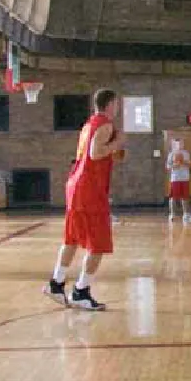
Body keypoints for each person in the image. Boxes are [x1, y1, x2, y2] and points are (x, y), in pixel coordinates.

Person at [48, 89, 125, 309]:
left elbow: (96, 154)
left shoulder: (88, 125)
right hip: (89, 190)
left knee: (71, 239)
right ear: (110, 104)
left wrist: (114, 149)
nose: (117, 108)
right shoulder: (105, 124)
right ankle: (81, 291)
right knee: (98, 244)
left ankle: (56, 282)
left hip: (76, 186)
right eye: (116, 104)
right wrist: (117, 143)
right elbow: (95, 154)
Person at [165, 138, 191, 222]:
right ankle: (172, 214)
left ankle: (185, 214)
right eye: (178, 144)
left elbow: (189, 164)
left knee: (185, 197)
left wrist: (183, 162)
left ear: (183, 144)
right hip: (175, 178)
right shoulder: (171, 154)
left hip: (185, 178)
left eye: (181, 143)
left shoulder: (186, 153)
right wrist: (176, 165)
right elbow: (168, 166)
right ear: (175, 144)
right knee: (173, 197)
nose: (180, 145)